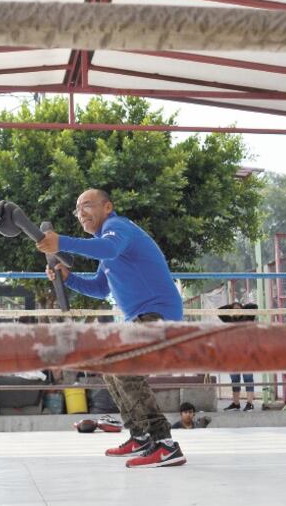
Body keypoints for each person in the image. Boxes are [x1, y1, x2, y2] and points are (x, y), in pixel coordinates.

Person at [38, 188, 186, 468]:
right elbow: (98, 287)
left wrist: (60, 243)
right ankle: (141, 436)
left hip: (159, 313)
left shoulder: (118, 228)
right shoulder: (108, 250)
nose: (81, 213)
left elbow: (108, 248)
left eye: (88, 206)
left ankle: (165, 444)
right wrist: (68, 278)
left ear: (107, 207)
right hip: (143, 317)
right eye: (78, 209)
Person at [218, 301, 258, 411]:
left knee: (248, 378)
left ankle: (250, 403)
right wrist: (231, 306)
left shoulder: (248, 317)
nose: (236, 311)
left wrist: (242, 308)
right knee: (235, 379)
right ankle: (236, 403)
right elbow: (219, 310)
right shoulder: (229, 320)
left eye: (238, 309)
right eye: (233, 309)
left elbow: (254, 306)